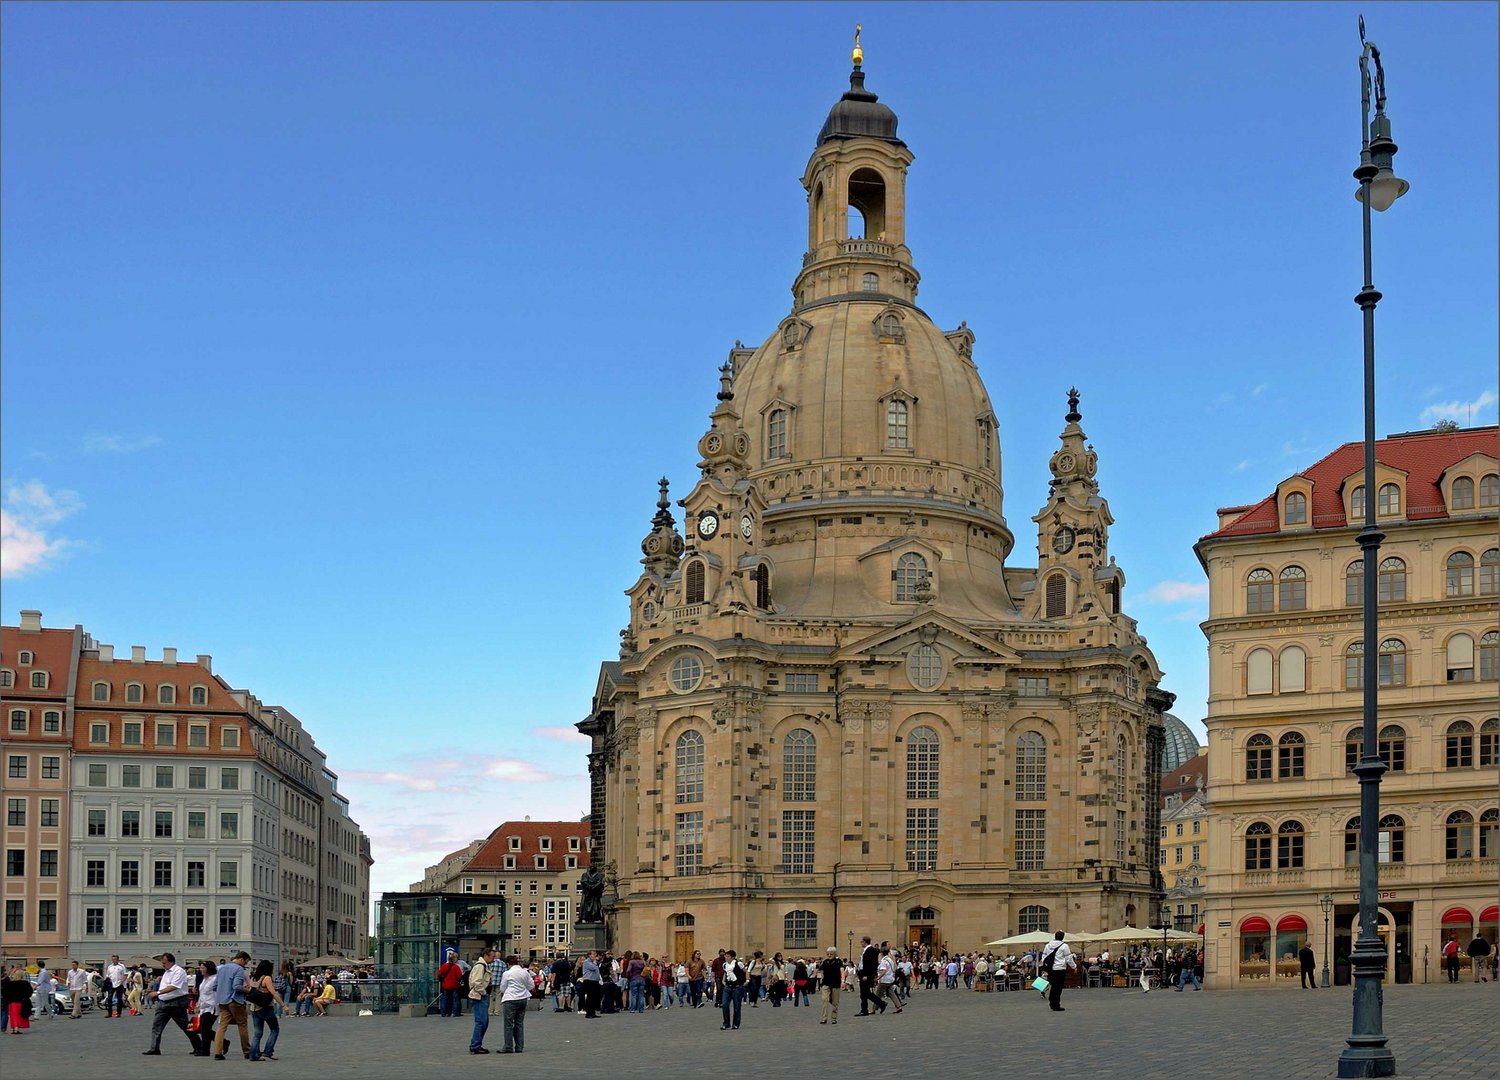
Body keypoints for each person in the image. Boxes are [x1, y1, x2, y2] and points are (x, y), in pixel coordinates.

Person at [141, 952, 204, 1057]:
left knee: (185, 1026)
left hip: (176, 1002)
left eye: (164, 963)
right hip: (163, 1002)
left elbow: (174, 986)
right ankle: (154, 1048)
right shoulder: (166, 972)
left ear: (171, 962)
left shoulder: (178, 971)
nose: (163, 965)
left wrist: (157, 993)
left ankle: (199, 1046)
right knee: (157, 1025)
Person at [212, 950, 252, 1059]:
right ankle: (247, 1051)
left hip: (222, 1001)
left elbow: (214, 986)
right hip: (234, 1000)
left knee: (222, 1026)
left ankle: (218, 1052)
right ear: (241, 959)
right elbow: (237, 986)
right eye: (246, 962)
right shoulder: (239, 969)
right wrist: (248, 990)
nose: (245, 965)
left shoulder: (221, 968)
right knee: (242, 1024)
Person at [247, 959, 284, 1061]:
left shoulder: (254, 977)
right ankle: (268, 1051)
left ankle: (253, 1055)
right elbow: (273, 993)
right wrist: (283, 1005)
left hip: (254, 1008)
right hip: (265, 1008)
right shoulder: (266, 978)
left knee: (257, 1032)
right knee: (275, 1029)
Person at [497, 954, 533, 1054]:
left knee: (508, 1024)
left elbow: (502, 988)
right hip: (523, 999)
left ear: (508, 963)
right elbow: (531, 985)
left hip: (510, 999)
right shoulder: (525, 972)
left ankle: (508, 1046)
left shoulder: (507, 973)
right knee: (519, 1023)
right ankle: (519, 1046)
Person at [467, 947, 495, 1054]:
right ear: (486, 955)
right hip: (479, 996)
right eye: (492, 956)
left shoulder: (483, 966)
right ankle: (475, 1045)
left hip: (480, 996)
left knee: (484, 1022)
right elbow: (476, 982)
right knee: (481, 1022)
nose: (493, 959)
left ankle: (477, 1044)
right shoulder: (480, 966)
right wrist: (483, 992)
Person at [1039, 931, 1076, 1013]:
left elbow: (1044, 956)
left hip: (1051, 969)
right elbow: (1068, 958)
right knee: (1058, 987)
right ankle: (1056, 1004)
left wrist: (1046, 966)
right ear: (1063, 937)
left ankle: (1052, 1001)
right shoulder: (1064, 946)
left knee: (1053, 985)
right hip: (1060, 968)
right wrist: (1074, 966)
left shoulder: (1048, 945)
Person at [194, 961, 218, 1055]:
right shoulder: (204, 979)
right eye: (200, 968)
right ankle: (223, 1042)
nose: (201, 970)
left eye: (203, 968)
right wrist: (198, 1003)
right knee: (204, 1028)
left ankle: (205, 1050)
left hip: (212, 1006)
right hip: (204, 1006)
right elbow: (202, 993)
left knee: (205, 1028)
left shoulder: (215, 979)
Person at [719, 950, 745, 1030]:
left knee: (737, 1006)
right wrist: (723, 980)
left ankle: (736, 1024)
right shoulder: (725, 965)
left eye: (728, 956)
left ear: (732, 957)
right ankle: (726, 1023)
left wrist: (747, 980)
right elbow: (726, 973)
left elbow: (746, 971)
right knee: (725, 1004)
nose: (726, 958)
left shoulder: (738, 964)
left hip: (737, 987)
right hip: (727, 987)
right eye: (725, 956)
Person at [4, 965, 33, 1033]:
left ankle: (15, 1028)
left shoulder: (10, 984)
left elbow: (5, 992)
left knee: (13, 1015)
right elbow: (29, 992)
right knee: (20, 1015)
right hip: (22, 1001)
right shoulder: (25, 983)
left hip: (12, 1002)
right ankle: (17, 1028)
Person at [857, 937, 882, 1015]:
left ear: (865, 942)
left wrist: (866, 975)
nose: (861, 943)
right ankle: (880, 1004)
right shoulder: (869, 950)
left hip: (866, 975)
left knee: (865, 993)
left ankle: (865, 1010)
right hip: (865, 974)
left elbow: (870, 964)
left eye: (861, 942)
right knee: (865, 993)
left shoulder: (870, 950)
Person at [875, 947, 904, 1013]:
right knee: (891, 993)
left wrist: (878, 978)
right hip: (890, 979)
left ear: (881, 953)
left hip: (884, 980)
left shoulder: (883, 961)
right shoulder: (890, 960)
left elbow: (883, 971)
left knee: (878, 994)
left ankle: (874, 1009)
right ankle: (899, 1006)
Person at [818, 947, 842, 1025]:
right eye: (827, 954)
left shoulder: (838, 962)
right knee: (824, 1000)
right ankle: (824, 1018)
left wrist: (843, 980)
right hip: (826, 983)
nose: (829, 955)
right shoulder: (825, 962)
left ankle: (834, 1018)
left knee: (835, 1001)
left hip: (835, 983)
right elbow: (821, 970)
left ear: (834, 954)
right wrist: (822, 977)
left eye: (831, 954)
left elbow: (842, 971)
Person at [437, 949, 464, 1017]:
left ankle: (444, 1012)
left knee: (445, 1000)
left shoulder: (444, 966)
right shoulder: (456, 967)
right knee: (455, 1000)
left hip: (445, 985)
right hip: (455, 985)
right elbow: (459, 976)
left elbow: (439, 974)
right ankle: (455, 1012)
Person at [578, 950, 603, 1019]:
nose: (595, 956)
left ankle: (593, 1012)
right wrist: (595, 961)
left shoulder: (592, 962)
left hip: (594, 982)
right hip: (589, 981)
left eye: (595, 954)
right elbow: (594, 968)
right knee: (590, 998)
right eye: (593, 954)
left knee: (594, 998)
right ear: (589, 955)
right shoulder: (587, 962)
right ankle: (589, 1013)